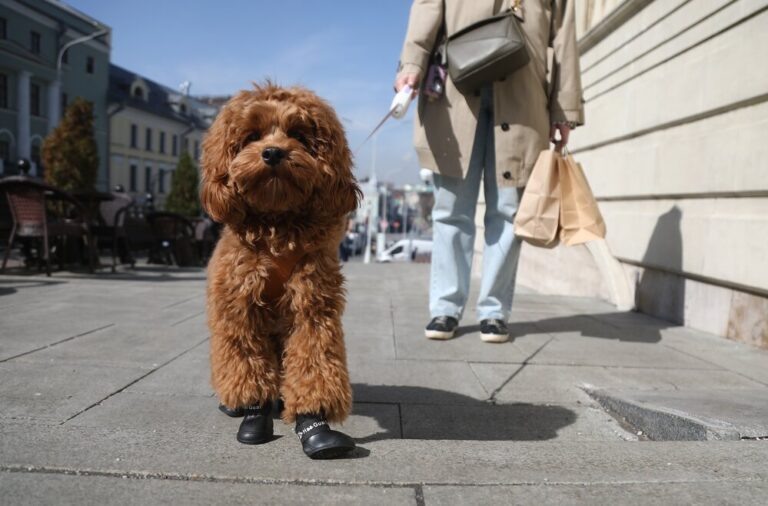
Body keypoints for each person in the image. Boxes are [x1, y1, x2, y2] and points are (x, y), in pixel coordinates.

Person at [395, 0, 584, 343]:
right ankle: (445, 307)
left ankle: (494, 312)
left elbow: (564, 34)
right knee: (451, 208)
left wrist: (564, 109)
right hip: (455, 87)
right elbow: (427, 7)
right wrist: (412, 64)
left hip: (524, 94)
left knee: (508, 211)